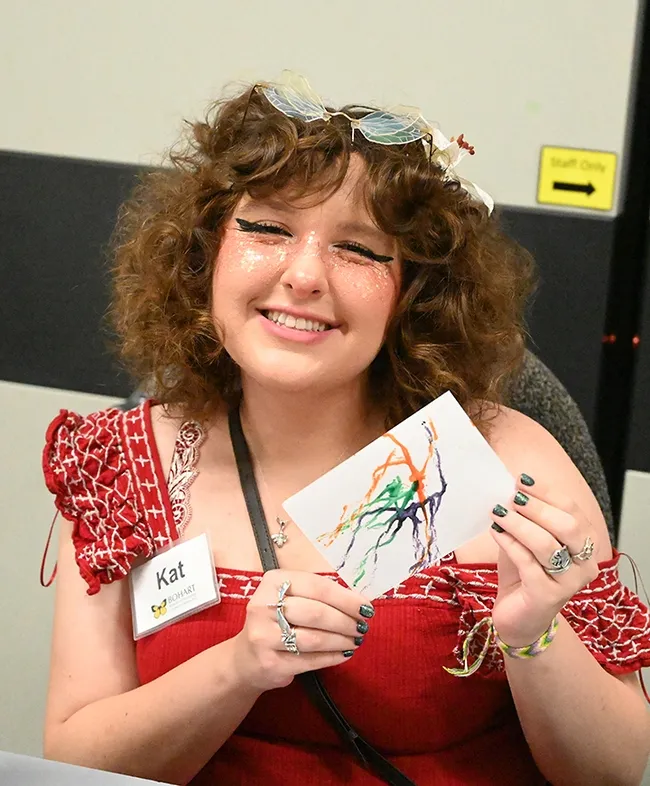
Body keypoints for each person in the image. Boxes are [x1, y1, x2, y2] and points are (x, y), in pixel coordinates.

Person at [42, 73, 650, 786]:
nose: (303, 275)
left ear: (413, 294)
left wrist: (533, 635)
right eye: (267, 229)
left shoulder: (501, 460)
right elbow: (76, 761)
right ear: (203, 258)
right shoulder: (119, 465)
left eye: (358, 249)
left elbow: (615, 771)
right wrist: (238, 668)